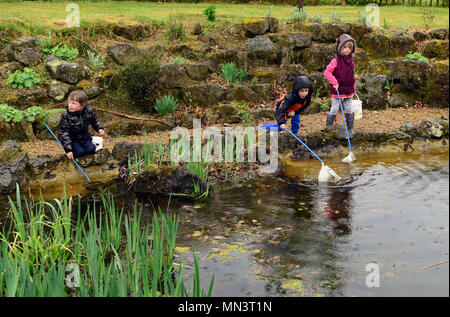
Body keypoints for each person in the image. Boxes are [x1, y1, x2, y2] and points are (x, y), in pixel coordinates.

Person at [324, 33, 356, 136]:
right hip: (337, 88)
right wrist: (334, 82)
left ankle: (350, 128)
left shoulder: (351, 59)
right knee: (334, 108)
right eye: (345, 47)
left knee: (349, 109)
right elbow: (327, 72)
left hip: (348, 89)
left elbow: (352, 73)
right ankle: (329, 127)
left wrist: (353, 85)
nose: (347, 50)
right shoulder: (336, 60)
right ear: (340, 47)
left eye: (349, 48)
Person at [59, 90, 105, 160]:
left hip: (84, 137)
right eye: (69, 102)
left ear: (82, 105)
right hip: (72, 139)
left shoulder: (88, 112)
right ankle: (75, 149)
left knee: (91, 150)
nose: (70, 105)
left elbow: (94, 120)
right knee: (79, 153)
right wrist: (68, 150)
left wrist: (99, 128)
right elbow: (64, 133)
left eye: (73, 103)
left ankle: (89, 144)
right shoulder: (66, 116)